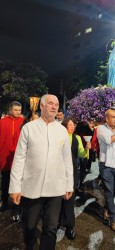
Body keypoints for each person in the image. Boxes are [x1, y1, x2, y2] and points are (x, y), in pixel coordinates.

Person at [9, 94, 74, 250]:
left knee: (51, 228)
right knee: (29, 226)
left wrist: (69, 184)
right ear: (42, 106)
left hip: (55, 189)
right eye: (50, 103)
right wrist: (15, 187)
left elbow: (67, 160)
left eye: (56, 104)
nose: (53, 106)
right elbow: (19, 159)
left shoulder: (62, 131)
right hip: (31, 187)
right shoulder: (29, 128)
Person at [59, 117, 91, 240]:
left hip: (72, 171)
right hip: (58, 170)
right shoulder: (60, 136)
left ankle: (69, 226)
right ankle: (57, 221)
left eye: (73, 125)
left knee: (70, 198)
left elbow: (81, 154)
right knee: (57, 197)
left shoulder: (77, 138)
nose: (72, 127)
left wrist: (87, 148)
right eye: (70, 125)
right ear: (64, 126)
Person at [0, 101, 24, 212]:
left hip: (18, 158)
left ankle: (17, 206)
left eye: (19, 110)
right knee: (5, 182)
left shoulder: (23, 122)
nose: (18, 112)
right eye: (15, 110)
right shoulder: (2, 122)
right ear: (10, 110)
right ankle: (4, 202)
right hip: (4, 157)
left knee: (18, 183)